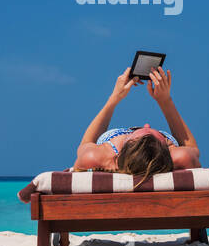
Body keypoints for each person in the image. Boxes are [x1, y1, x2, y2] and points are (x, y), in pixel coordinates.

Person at [70, 66, 201, 176]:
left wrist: (114, 98)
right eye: (164, 138)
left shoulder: (98, 157)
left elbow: (86, 143)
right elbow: (192, 148)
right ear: (167, 150)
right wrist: (165, 100)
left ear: (126, 145)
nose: (146, 124)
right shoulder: (178, 157)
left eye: (138, 132)